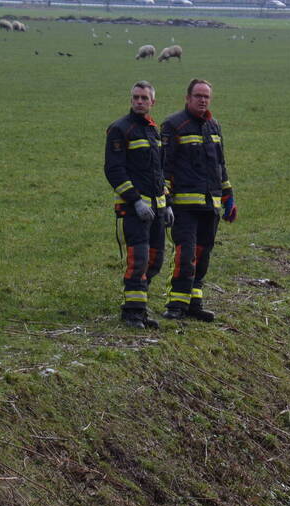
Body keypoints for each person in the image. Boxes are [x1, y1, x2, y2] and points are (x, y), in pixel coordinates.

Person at [160, 78, 237, 322]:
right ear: (187, 98)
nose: (202, 100)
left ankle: (194, 302)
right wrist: (165, 201)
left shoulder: (214, 126)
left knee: (203, 255)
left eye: (206, 96)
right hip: (184, 207)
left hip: (211, 205)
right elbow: (164, 167)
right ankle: (176, 304)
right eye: (198, 96)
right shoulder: (173, 125)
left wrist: (228, 195)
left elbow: (220, 165)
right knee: (186, 254)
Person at [104, 80, 172, 329]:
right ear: (131, 100)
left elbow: (160, 171)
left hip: (157, 207)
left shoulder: (154, 131)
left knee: (155, 260)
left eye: (144, 98)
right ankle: (132, 312)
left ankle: (140, 307)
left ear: (153, 102)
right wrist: (135, 201)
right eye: (136, 97)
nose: (140, 101)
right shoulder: (120, 129)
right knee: (139, 259)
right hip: (134, 209)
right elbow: (113, 170)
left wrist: (168, 204)